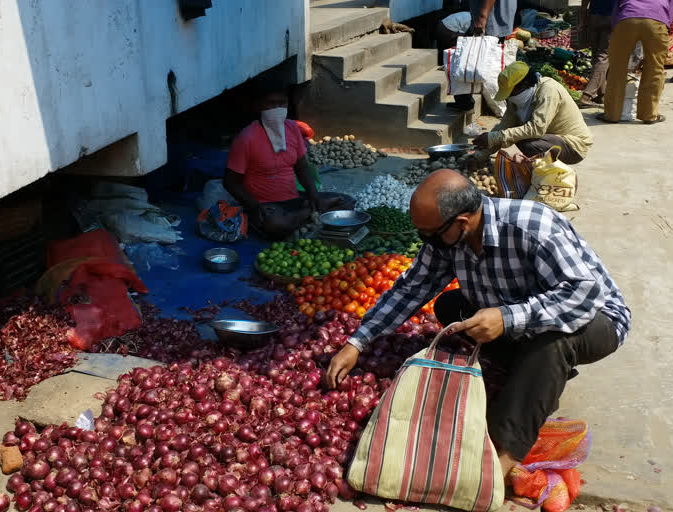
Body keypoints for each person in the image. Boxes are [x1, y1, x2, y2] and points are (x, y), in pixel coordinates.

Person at [326, 169, 631, 478]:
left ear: (461, 222)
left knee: (552, 344)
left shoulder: (532, 226)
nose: (425, 242)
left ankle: (504, 454)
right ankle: (533, 376)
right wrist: (358, 342)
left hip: (594, 319)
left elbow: (585, 294)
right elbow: (412, 288)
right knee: (450, 306)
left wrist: (508, 318)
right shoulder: (448, 238)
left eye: (429, 234)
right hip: (518, 313)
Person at [224, 85, 353, 240]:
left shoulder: (292, 128)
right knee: (276, 224)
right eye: (271, 104)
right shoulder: (246, 138)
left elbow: (302, 167)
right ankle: (310, 215)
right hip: (267, 206)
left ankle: (307, 213)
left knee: (347, 202)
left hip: (294, 199)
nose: (277, 108)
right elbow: (230, 183)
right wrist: (254, 206)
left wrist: (314, 196)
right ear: (258, 106)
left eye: (282, 103)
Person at [472, 61, 593, 164]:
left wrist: (494, 137)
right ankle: (543, 168)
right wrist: (481, 154)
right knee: (517, 133)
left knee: (526, 142)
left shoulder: (548, 91)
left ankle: (547, 172)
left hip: (573, 146)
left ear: (524, 84)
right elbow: (505, 126)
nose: (509, 98)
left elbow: (536, 129)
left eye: (511, 92)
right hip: (550, 139)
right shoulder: (515, 100)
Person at [598, 0, 673, 124]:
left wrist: (616, 27)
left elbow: (616, 7)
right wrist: (666, 26)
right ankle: (649, 115)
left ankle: (612, 114)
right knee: (655, 67)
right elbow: (671, 7)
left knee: (617, 68)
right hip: (657, 19)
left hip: (627, 19)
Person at [448, 0, 518, 111]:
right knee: (491, 62)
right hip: (500, 17)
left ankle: (465, 100)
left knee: (466, 58)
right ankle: (467, 99)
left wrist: (482, 16)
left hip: (490, 18)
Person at [577, 0, 615, 108]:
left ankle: (602, 94)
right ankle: (586, 96)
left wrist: (582, 21)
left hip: (594, 19)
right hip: (610, 19)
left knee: (597, 56)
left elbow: (584, 4)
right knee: (603, 57)